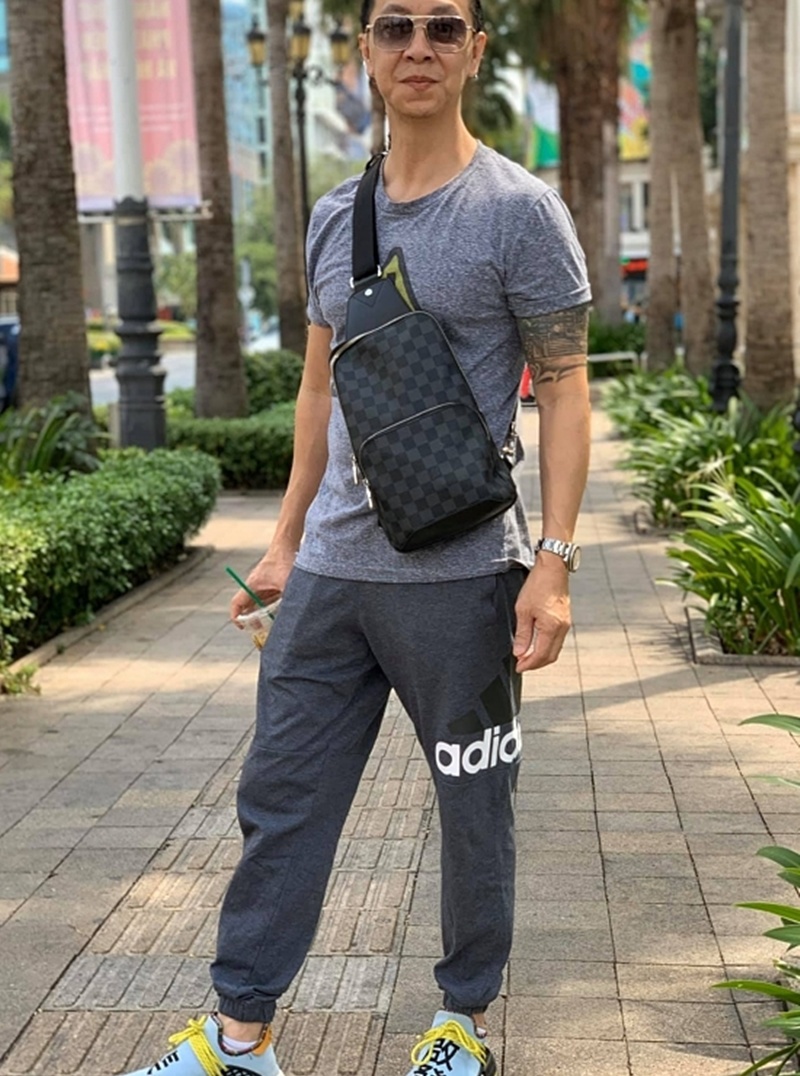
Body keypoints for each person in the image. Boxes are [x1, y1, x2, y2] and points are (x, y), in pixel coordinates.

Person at [119, 0, 590, 1072]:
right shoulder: (338, 215)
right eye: (394, 27)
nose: (417, 47)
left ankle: (461, 1023)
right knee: (280, 798)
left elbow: (565, 388)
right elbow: (320, 387)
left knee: (473, 808)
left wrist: (554, 564)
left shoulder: (519, 210)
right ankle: (239, 1038)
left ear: (474, 51)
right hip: (332, 572)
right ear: (365, 53)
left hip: (462, 571)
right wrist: (285, 539)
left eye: (442, 27)